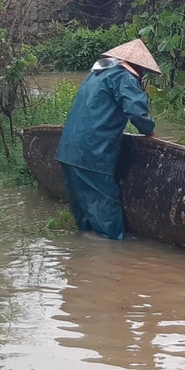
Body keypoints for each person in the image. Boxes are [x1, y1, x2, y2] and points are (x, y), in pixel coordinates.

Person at [55, 39, 160, 241]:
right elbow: (137, 112)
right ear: (138, 68)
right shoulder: (124, 77)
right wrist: (149, 132)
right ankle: (111, 262)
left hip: (68, 151)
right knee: (108, 223)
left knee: (84, 218)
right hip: (93, 154)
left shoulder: (96, 75)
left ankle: (82, 262)